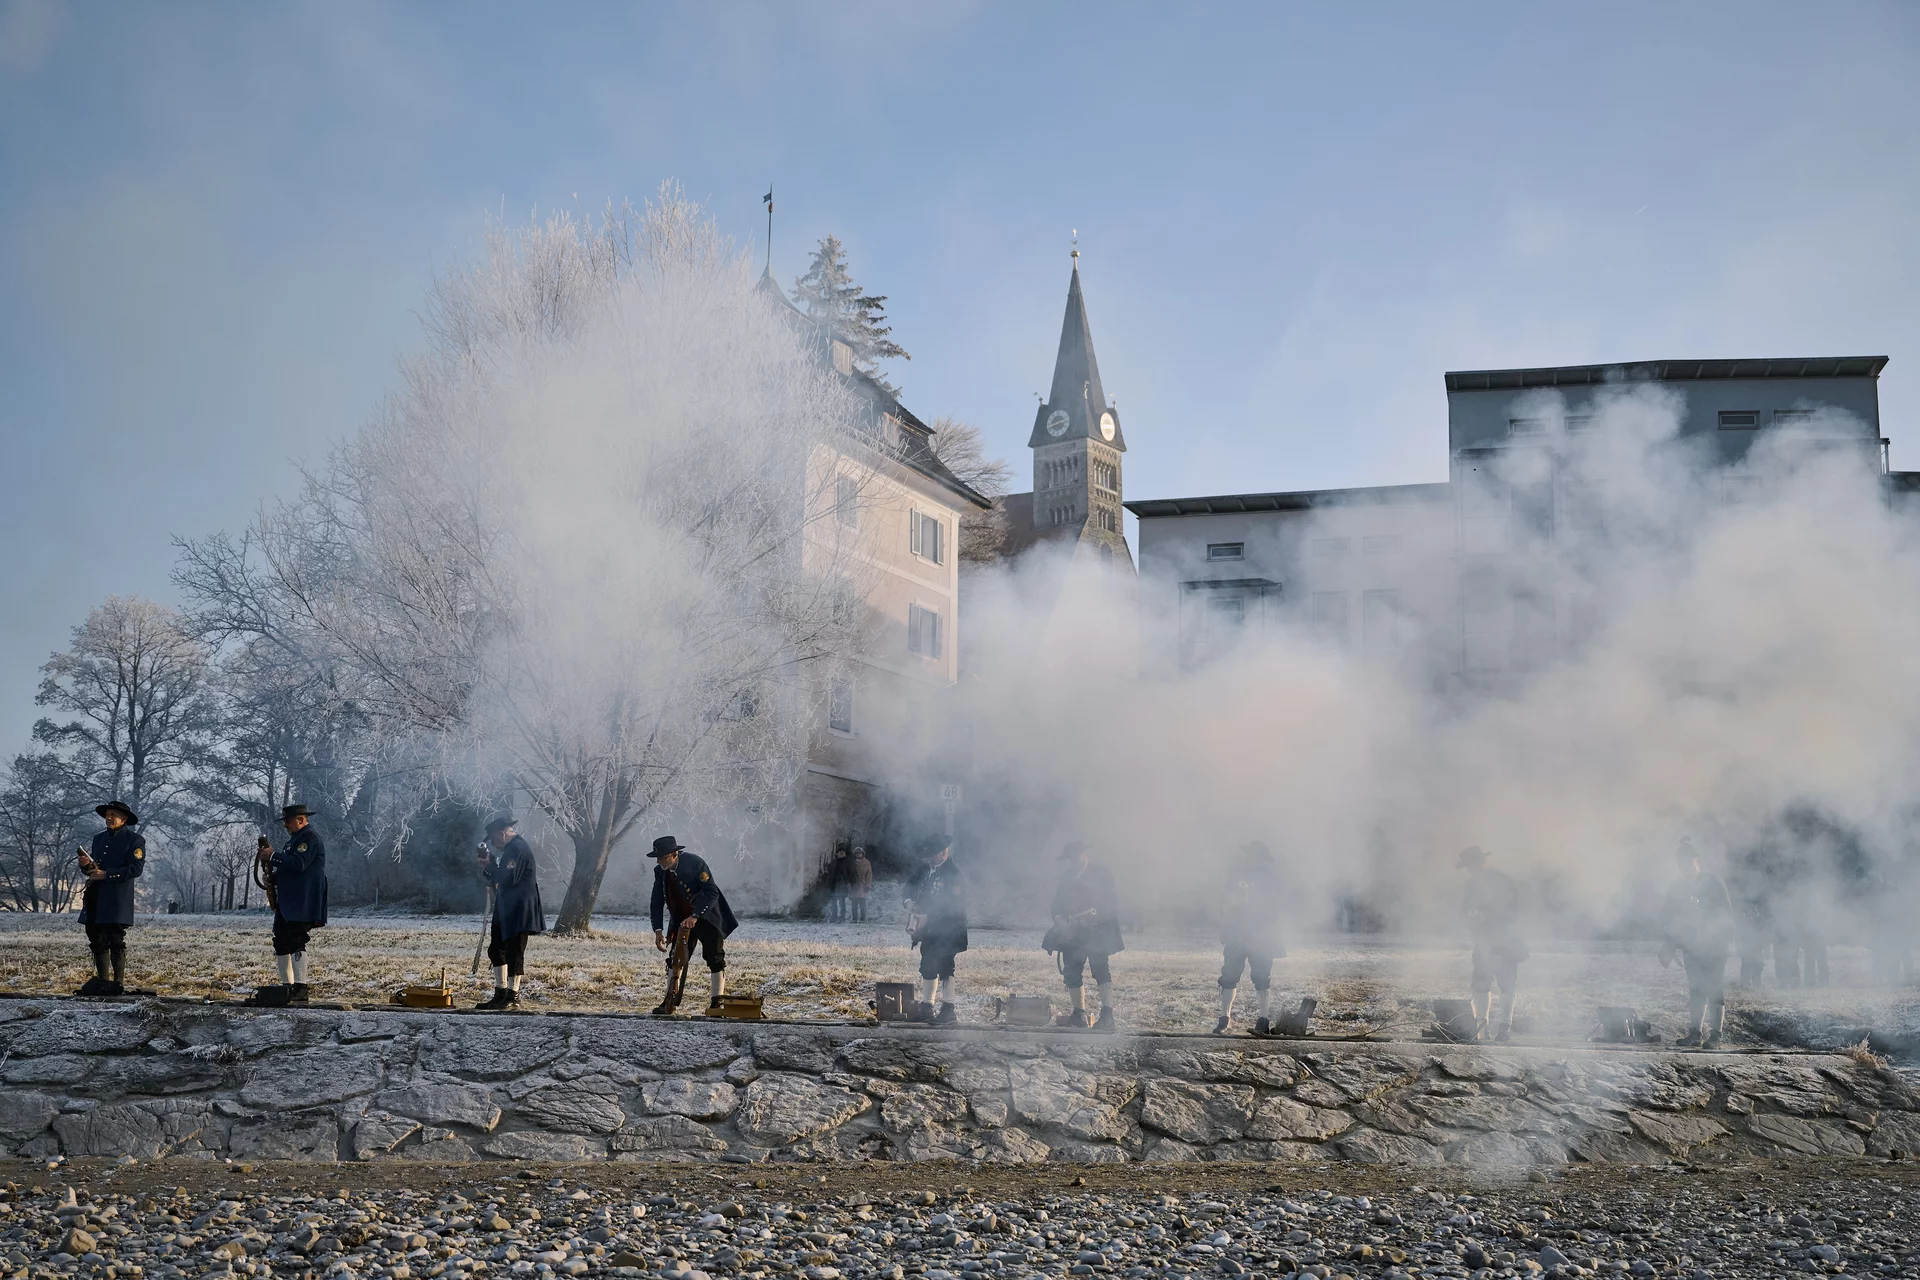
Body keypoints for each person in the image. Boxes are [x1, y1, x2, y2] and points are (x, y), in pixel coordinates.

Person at [246, 804, 328, 1006]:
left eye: (288, 821)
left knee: (297, 940)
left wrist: (273, 856)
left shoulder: (309, 838)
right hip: (289, 900)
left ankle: (300, 987)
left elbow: (299, 864)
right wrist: (273, 878)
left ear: (301, 820)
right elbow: (289, 869)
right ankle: (287, 987)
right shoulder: (293, 841)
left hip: (302, 899)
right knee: (281, 940)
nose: (285, 825)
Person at [648, 835, 739, 1015]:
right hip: (681, 920)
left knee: (715, 958)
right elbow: (656, 901)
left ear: (674, 854)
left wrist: (695, 915)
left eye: (662, 857)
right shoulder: (661, 871)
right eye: (657, 857)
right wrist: (658, 931)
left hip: (707, 918)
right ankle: (669, 1000)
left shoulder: (695, 863)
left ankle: (717, 1002)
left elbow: (711, 893)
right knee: (675, 959)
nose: (658, 861)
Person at [1663, 837, 1733, 1049]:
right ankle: (1695, 1032)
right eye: (1680, 863)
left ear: (1697, 862)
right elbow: (1668, 918)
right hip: (1691, 947)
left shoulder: (1713, 882)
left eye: (1687, 862)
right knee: (1696, 989)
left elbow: (1725, 914)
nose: (1684, 867)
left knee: (1713, 987)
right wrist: (1670, 945)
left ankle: (1716, 1035)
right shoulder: (1676, 887)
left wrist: (1706, 919)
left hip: (1715, 946)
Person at [1046, 840, 1123, 1031]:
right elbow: (1057, 904)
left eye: (1076, 856)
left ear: (1084, 854)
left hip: (1097, 932)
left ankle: (1107, 1015)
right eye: (1070, 858)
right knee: (1071, 970)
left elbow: (1109, 904)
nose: (1074, 861)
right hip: (1073, 934)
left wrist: (1090, 917)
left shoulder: (1102, 875)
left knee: (1100, 969)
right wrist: (1059, 920)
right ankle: (1079, 1014)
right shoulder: (1066, 877)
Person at [1458, 845, 1528, 1043]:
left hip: (1504, 940)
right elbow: (1464, 910)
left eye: (1473, 864)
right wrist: (1469, 918)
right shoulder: (1471, 885)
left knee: (1507, 982)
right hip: (1482, 942)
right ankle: (1482, 1029)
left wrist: (1486, 917)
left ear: (1482, 861)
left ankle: (1505, 1027)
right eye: (1469, 866)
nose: (1472, 869)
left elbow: (1512, 913)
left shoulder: (1502, 881)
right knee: (1480, 983)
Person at [75, 799, 145, 996]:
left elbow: (136, 869)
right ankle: (103, 984)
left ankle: (118, 984)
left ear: (124, 819)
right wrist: (85, 866)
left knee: (115, 939)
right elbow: (94, 868)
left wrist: (107, 874)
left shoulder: (135, 840)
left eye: (113, 815)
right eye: (107, 815)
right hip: (96, 895)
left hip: (117, 898)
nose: (109, 818)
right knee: (96, 938)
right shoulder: (98, 839)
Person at [476, 815, 546, 1010]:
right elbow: (501, 877)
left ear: (502, 834)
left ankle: (512, 997)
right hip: (507, 905)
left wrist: (489, 866)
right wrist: (489, 867)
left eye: (493, 839)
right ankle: (501, 994)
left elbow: (508, 878)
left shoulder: (517, 849)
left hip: (519, 907)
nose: (493, 844)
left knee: (514, 952)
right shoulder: (510, 849)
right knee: (496, 949)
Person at [1217, 841, 1285, 1035]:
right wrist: (1228, 918)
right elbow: (1225, 903)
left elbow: (1275, 905)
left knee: (1262, 977)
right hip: (1236, 932)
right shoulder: (1235, 875)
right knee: (1229, 975)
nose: (1250, 858)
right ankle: (1224, 1019)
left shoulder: (1269, 878)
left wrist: (1261, 914)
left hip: (1262, 933)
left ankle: (1263, 1020)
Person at [903, 836, 968, 1025]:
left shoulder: (954, 874)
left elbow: (953, 906)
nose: (929, 859)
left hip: (949, 929)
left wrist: (928, 916)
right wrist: (909, 902)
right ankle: (927, 1008)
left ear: (944, 852)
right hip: (929, 929)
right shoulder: (925, 869)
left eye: (933, 855)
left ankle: (948, 1009)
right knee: (927, 964)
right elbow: (908, 887)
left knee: (946, 966)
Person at [825, 844, 854, 923]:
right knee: (833, 902)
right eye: (840, 851)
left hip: (842, 885)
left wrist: (849, 882)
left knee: (842, 902)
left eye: (843, 851)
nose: (841, 852)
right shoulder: (834, 862)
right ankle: (834, 917)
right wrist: (829, 885)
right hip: (833, 884)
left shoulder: (848, 862)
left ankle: (842, 917)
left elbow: (851, 873)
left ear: (845, 853)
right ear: (837, 853)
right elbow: (830, 874)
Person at [849, 846, 874, 922]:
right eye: (857, 853)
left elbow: (869, 875)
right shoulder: (852, 862)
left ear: (862, 854)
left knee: (862, 904)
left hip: (863, 886)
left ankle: (862, 919)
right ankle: (854, 919)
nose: (858, 854)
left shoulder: (866, 862)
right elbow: (849, 873)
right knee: (854, 904)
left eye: (860, 853)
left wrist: (868, 885)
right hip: (854, 885)